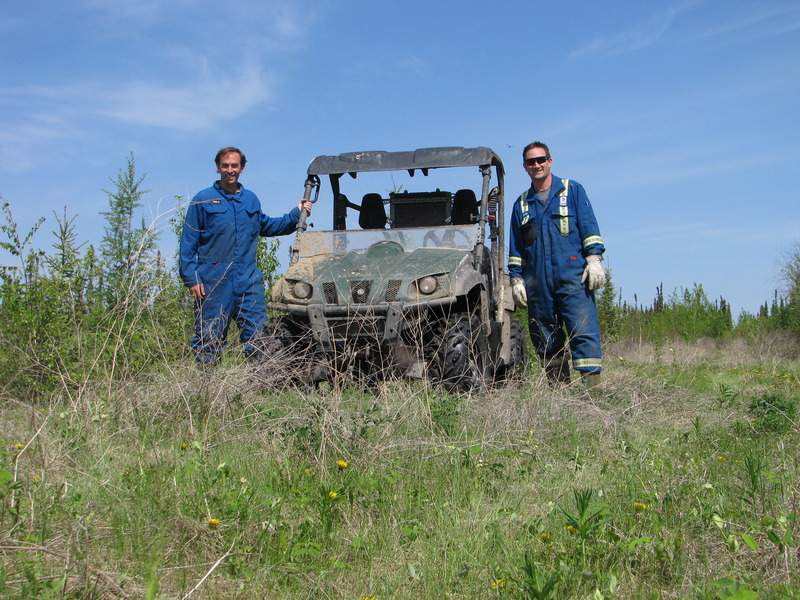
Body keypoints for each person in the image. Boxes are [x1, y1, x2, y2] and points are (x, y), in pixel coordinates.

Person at [179, 147, 312, 365]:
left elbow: (267, 226)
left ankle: (261, 387)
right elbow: (188, 243)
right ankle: (207, 389)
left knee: (259, 337)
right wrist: (191, 278)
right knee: (209, 336)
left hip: (248, 280)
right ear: (218, 167)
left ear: (242, 167)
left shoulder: (250, 200)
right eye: (225, 165)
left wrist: (295, 213)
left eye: (234, 165)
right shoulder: (203, 200)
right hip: (214, 279)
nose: (229, 170)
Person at [508, 142, 606, 386]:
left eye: (541, 159)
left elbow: (589, 228)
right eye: (531, 161)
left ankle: (593, 397)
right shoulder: (521, 204)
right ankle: (559, 398)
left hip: (573, 278)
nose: (537, 165)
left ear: (550, 161)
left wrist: (594, 259)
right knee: (545, 338)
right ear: (525, 167)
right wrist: (516, 279)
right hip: (538, 284)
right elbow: (516, 248)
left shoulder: (572, 191)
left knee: (583, 333)